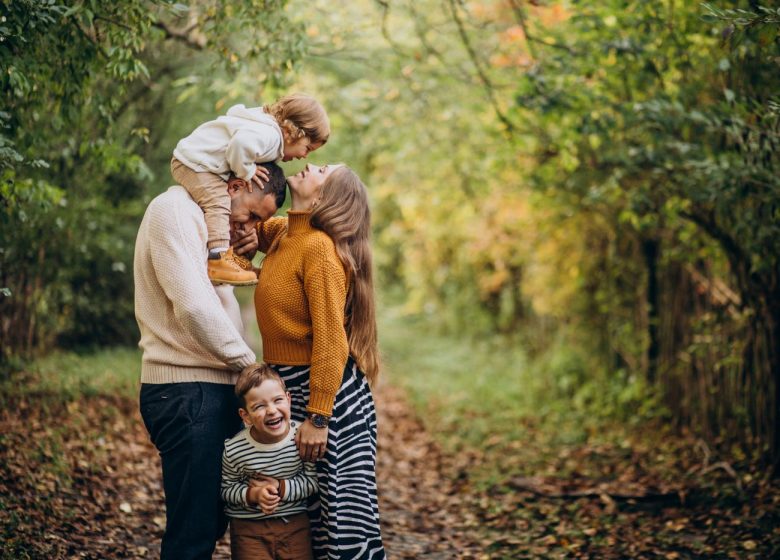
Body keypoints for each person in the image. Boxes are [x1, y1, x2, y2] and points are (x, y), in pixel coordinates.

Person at [134, 163, 287, 560]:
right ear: (238, 184)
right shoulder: (174, 211)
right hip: (186, 391)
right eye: (251, 213)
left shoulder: (208, 228)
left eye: (260, 221)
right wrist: (249, 367)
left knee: (214, 520)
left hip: (210, 390)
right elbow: (193, 309)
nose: (248, 225)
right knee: (194, 532)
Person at [250, 163, 386, 559]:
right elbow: (249, 226)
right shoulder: (286, 235)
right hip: (295, 391)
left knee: (342, 522)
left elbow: (332, 341)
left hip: (330, 399)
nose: (310, 164)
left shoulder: (320, 252)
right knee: (304, 520)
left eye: (323, 171)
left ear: (326, 198)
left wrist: (318, 417)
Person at [171, 93, 330, 286]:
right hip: (194, 163)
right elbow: (240, 143)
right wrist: (246, 171)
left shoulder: (266, 131)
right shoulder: (270, 136)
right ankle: (218, 260)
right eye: (308, 148)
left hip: (196, 161)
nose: (305, 156)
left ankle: (230, 261)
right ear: (293, 132)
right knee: (218, 203)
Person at [221, 363, 318, 560]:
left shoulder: (301, 438)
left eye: (278, 400)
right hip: (249, 530)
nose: (272, 411)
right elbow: (226, 489)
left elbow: (313, 482)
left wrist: (281, 488)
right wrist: (253, 494)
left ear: (289, 400)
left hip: (295, 526)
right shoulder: (234, 449)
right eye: (259, 406)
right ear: (245, 416)